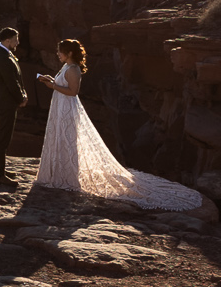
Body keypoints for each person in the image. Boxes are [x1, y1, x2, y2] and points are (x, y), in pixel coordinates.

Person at [31, 38, 205, 211]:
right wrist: (51, 80)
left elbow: (73, 92)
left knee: (69, 139)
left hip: (68, 108)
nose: (57, 54)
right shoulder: (66, 66)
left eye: (59, 51)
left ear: (68, 53)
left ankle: (69, 176)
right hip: (60, 107)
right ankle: (60, 173)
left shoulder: (74, 69)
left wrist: (53, 86)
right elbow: (63, 84)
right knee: (61, 138)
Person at [0, 27, 26, 188]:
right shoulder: (2, 56)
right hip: (5, 102)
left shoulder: (2, 52)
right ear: (7, 40)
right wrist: (21, 98)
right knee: (3, 136)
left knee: (2, 135)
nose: (18, 42)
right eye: (16, 39)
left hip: (4, 101)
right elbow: (11, 82)